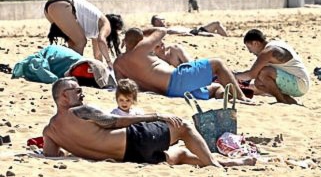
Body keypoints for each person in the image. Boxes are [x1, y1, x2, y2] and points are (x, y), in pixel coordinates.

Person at [41, 78, 252, 168]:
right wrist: (155, 116)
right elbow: (114, 121)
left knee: (177, 155)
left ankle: (228, 163)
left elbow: (51, 154)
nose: (81, 92)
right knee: (185, 128)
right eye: (76, 90)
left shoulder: (50, 131)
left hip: (126, 157)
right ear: (63, 97)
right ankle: (215, 165)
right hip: (134, 139)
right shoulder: (80, 110)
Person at [114, 26, 246, 101]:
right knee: (217, 64)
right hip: (177, 79)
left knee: (214, 89)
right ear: (141, 41)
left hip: (169, 92)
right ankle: (241, 98)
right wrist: (143, 31)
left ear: (125, 42)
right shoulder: (141, 49)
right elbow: (162, 30)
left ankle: (226, 98)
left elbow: (123, 86)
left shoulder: (118, 63)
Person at [43, 0, 124, 65]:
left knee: (73, 44)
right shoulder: (106, 24)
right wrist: (109, 62)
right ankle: (72, 71)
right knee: (81, 42)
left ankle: (64, 68)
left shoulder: (96, 27)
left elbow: (97, 55)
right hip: (62, 5)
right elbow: (101, 40)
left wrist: (102, 69)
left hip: (51, 8)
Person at [236, 29, 311, 104]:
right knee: (258, 82)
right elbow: (253, 74)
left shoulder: (268, 51)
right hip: (300, 83)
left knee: (265, 72)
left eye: (249, 48)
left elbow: (251, 74)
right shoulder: (273, 44)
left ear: (255, 43)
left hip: (300, 84)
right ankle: (288, 100)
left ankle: (281, 100)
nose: (250, 51)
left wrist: (231, 76)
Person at [150, 15, 228, 36]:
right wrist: (187, 34)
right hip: (195, 32)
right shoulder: (165, 30)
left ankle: (226, 38)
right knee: (216, 34)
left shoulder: (167, 28)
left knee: (216, 23)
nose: (164, 20)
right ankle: (226, 39)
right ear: (157, 21)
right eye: (161, 19)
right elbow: (176, 32)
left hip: (195, 30)